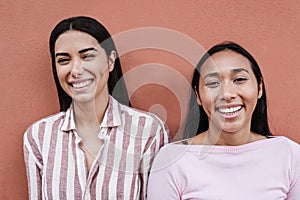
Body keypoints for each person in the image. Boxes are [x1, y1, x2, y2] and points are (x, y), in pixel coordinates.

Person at [23, 16, 169, 200]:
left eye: (87, 56)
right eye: (63, 60)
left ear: (110, 61)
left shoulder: (149, 130)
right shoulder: (38, 136)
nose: (75, 70)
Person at [147, 42, 300, 199]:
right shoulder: (172, 160)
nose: (227, 94)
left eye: (239, 79)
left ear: (259, 87)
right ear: (198, 95)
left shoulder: (289, 155)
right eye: (213, 83)